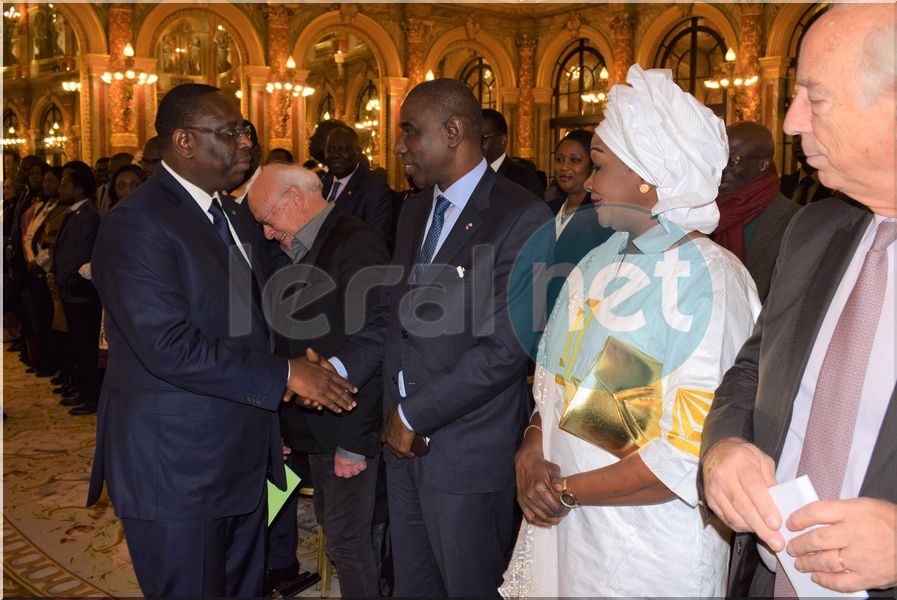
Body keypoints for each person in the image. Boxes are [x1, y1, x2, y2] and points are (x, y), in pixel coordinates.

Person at [84, 83, 358, 597]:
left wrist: (294, 360)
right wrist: (286, 374)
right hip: (176, 468)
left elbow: (244, 322)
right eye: (230, 132)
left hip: (241, 457)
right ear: (184, 142)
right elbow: (168, 346)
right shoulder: (137, 223)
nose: (246, 142)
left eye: (245, 131)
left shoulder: (231, 214)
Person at [501, 64, 760, 597]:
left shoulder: (711, 281)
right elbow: (555, 387)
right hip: (567, 529)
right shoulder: (601, 259)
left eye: (598, 164)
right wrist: (531, 446)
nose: (589, 181)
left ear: (649, 174)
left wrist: (564, 490)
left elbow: (687, 454)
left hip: (645, 553)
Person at [329, 78, 554, 596]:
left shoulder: (522, 215)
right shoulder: (414, 209)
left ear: (453, 131)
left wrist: (413, 414)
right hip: (401, 443)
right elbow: (393, 319)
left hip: (465, 453)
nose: (398, 146)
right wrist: (337, 369)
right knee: (413, 584)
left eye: (410, 131)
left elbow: (506, 349)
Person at [701, 6, 897, 597]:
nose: (789, 122)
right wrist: (726, 448)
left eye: (816, 98)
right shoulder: (814, 231)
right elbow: (752, 370)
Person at [248, 163, 390, 597]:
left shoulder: (355, 241)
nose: (268, 234)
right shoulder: (295, 247)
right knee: (334, 527)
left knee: (348, 540)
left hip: (347, 425)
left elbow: (378, 339)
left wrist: (355, 441)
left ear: (294, 200)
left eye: (268, 221)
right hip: (312, 424)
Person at [712, 121, 799, 301]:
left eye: (732, 160)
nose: (721, 169)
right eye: (718, 158)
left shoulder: (794, 221)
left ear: (763, 165)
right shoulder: (699, 213)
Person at [50, 163, 101, 415]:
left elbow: (82, 252)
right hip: (68, 288)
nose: (60, 188)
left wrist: (67, 278)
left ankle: (91, 395)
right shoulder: (74, 213)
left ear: (79, 188)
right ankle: (83, 389)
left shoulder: (89, 215)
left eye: (64, 184)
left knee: (85, 345)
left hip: (79, 290)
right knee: (76, 343)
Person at [544, 130, 613, 310]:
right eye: (559, 160)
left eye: (575, 160)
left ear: (592, 166)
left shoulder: (602, 216)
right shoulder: (546, 209)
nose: (564, 167)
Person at [322, 125, 394, 242]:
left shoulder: (374, 188)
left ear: (357, 152)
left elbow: (375, 241)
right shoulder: (321, 183)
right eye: (331, 150)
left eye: (343, 150)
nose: (335, 155)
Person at [481, 108, 545, 200]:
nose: (476, 143)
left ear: (503, 140)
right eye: (472, 137)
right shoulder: (468, 175)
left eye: (483, 137)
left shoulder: (524, 179)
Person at [780, 135, 834, 206]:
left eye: (804, 135)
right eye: (795, 136)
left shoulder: (835, 187)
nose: (797, 141)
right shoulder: (784, 184)